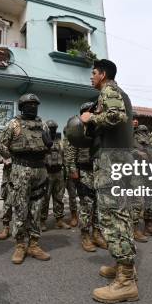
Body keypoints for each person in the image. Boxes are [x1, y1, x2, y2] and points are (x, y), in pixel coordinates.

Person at [80, 59, 138, 303]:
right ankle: (123, 266)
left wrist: (89, 119)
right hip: (115, 158)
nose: (91, 77)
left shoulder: (110, 91)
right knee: (118, 213)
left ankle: (126, 281)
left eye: (93, 73)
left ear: (102, 74)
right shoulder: (115, 92)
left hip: (112, 160)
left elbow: (115, 117)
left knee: (113, 216)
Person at [0, 93, 52, 264]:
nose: (33, 107)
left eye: (35, 104)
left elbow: (49, 147)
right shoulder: (13, 124)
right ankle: (20, 245)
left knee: (37, 209)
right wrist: (8, 159)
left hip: (40, 169)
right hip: (20, 169)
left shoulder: (43, 125)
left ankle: (34, 244)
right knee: (20, 208)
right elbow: (1, 148)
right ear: (21, 106)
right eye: (29, 104)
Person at [65, 103, 107, 253]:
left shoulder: (98, 128)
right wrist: (72, 170)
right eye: (91, 111)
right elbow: (70, 151)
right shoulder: (77, 127)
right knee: (86, 205)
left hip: (99, 170)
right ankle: (85, 235)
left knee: (99, 205)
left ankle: (97, 233)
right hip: (84, 171)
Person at [40, 120, 71, 231]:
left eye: (54, 128)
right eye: (50, 128)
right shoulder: (41, 141)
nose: (53, 130)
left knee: (59, 198)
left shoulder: (60, 142)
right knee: (45, 198)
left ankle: (59, 220)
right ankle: (42, 221)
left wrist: (65, 172)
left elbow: (65, 157)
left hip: (59, 173)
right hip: (47, 173)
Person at [130, 115, 149, 242]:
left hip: (140, 170)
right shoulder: (121, 133)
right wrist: (137, 153)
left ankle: (134, 227)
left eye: (136, 118)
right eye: (132, 118)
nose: (135, 120)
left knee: (137, 200)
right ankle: (132, 228)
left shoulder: (140, 135)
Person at [0, 150, 13, 240]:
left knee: (25, 203)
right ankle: (6, 228)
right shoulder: (5, 139)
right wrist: (3, 159)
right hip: (9, 176)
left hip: (25, 174)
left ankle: (23, 229)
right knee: (8, 203)